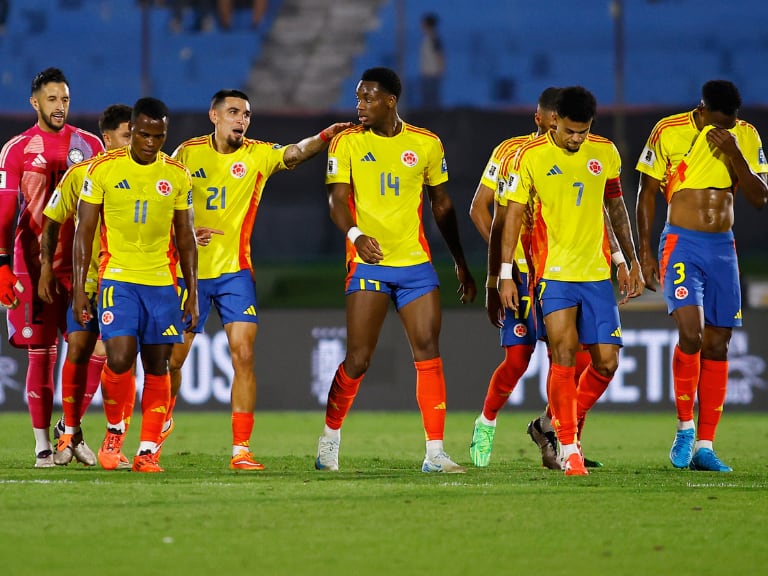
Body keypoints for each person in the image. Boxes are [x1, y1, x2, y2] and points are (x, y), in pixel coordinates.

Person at [169, 89, 352, 470]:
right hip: (191, 274)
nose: (242, 120)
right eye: (234, 112)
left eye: (247, 114)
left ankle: (241, 449)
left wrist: (324, 137)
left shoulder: (257, 154)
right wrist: (183, 232)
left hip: (236, 272)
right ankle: (160, 423)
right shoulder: (186, 154)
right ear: (214, 115)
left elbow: (295, 153)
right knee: (173, 360)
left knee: (245, 356)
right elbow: (162, 198)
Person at [315, 67, 477, 473]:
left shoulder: (425, 143)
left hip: (415, 265)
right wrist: (354, 235)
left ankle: (435, 453)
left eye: (367, 98)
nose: (359, 106)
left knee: (428, 351)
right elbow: (336, 200)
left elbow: (441, 205)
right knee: (358, 359)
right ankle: (329, 441)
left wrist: (459, 260)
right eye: (357, 98)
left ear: (390, 100)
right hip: (368, 262)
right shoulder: (346, 142)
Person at [495, 86, 643, 476]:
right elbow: (511, 217)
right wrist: (505, 274)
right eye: (570, 131)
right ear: (554, 121)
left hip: (596, 274)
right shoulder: (529, 156)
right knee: (562, 358)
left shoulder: (605, 152)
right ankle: (570, 448)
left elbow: (614, 207)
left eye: (584, 131)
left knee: (607, 363)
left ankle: (551, 423)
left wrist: (627, 259)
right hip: (554, 274)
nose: (577, 139)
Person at [635, 80, 768, 472]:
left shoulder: (744, 136)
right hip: (682, 243)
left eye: (733, 121)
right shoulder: (668, 130)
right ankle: (685, 426)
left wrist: (736, 155)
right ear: (703, 110)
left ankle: (705, 447)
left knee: (719, 343)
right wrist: (644, 252)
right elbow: (645, 191)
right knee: (691, 333)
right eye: (721, 121)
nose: (727, 127)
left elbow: (760, 198)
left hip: (722, 248)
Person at [72, 97, 198, 473]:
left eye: (158, 135)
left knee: (158, 365)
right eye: (143, 134)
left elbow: (187, 237)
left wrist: (191, 293)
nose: (150, 141)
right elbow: (84, 231)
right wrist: (81, 288)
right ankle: (114, 431)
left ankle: (147, 451)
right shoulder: (104, 170)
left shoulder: (176, 174)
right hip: (118, 279)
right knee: (120, 357)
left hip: (161, 282)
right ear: (132, 130)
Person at [0, 67, 104, 468]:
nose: (60, 107)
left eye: (65, 100)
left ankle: (69, 429)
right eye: (52, 99)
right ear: (35, 102)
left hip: (80, 268)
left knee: (93, 347)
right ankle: (43, 446)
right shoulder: (17, 149)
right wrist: (3, 267)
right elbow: (6, 214)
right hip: (32, 265)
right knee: (41, 354)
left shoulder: (89, 144)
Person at [38, 104, 133, 468]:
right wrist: (46, 267)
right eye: (126, 136)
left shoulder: (145, 172)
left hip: (124, 281)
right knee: (78, 348)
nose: (133, 143)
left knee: (111, 356)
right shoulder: (82, 174)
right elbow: (52, 218)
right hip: (86, 280)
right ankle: (69, 429)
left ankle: (102, 436)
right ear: (106, 138)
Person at [419, 13, 444, 108]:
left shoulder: (434, 39)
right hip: (427, 73)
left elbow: (440, 55)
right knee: (428, 97)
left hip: (432, 73)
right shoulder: (427, 38)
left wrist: (440, 70)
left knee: (431, 98)